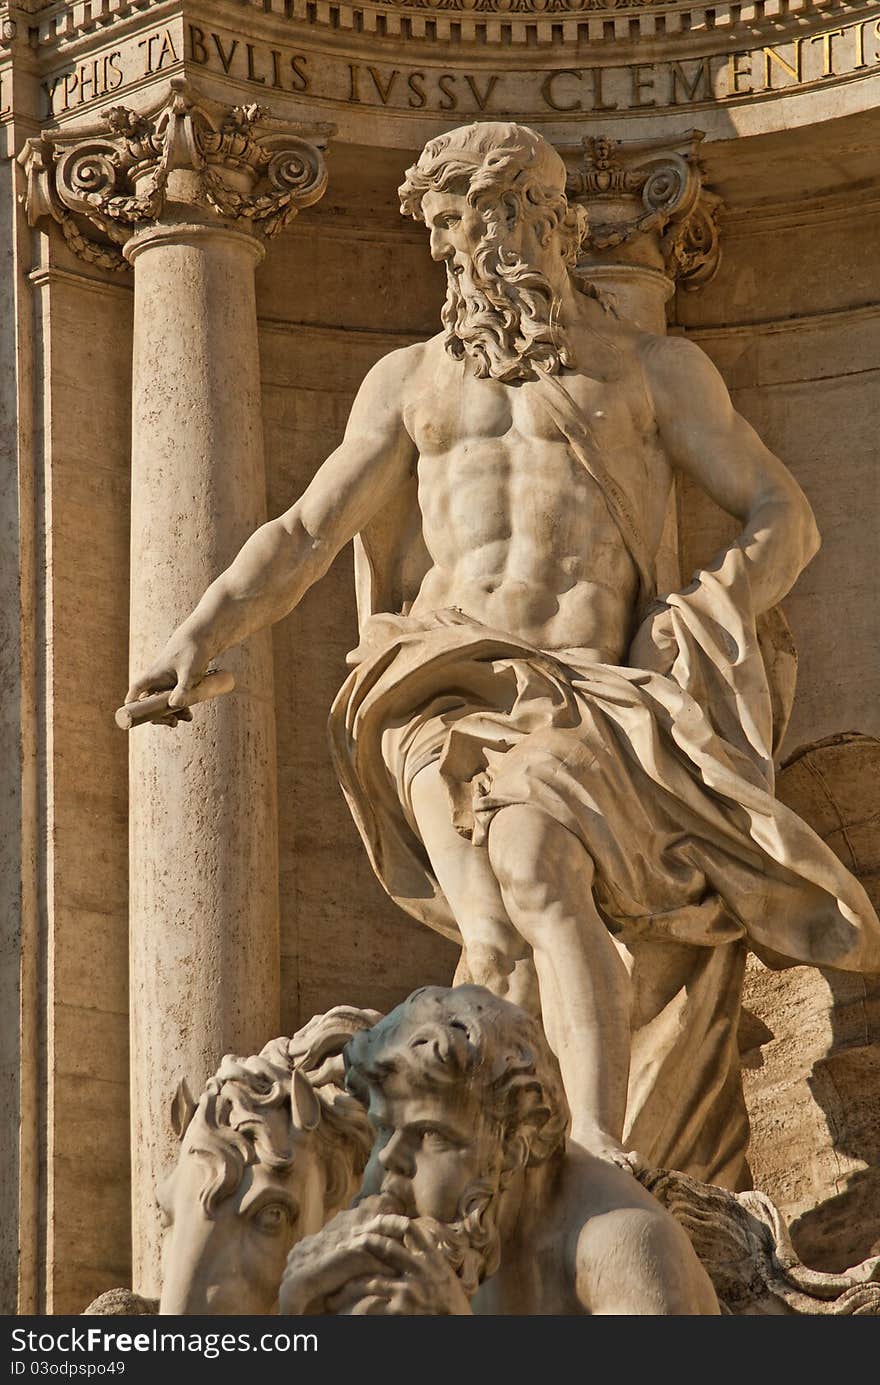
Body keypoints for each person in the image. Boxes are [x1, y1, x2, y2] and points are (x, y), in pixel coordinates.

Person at [127, 121, 880, 1182]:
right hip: (431, 681)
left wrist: (708, 605)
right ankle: (483, 1157)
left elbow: (780, 515)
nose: (466, 253)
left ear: (552, 223)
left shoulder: (651, 369)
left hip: (581, 694)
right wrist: (196, 633)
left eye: (485, 221)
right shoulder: (408, 383)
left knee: (531, 875)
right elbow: (303, 531)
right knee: (490, 924)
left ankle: (588, 1148)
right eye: (446, 230)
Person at [277, 986, 720, 1315]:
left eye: (430, 1134)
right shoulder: (462, 1236)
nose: (391, 1159)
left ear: (516, 1145)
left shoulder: (623, 1247)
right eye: (383, 1128)